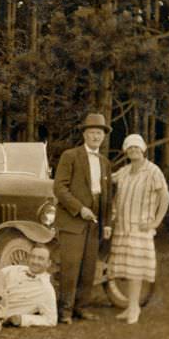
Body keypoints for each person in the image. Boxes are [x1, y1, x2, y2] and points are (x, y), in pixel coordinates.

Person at [53, 113, 113, 325]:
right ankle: (65, 311)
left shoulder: (105, 162)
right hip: (73, 220)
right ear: (84, 134)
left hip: (95, 223)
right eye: (92, 132)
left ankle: (82, 307)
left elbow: (107, 195)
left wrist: (106, 224)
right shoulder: (70, 156)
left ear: (103, 137)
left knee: (88, 268)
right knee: (70, 267)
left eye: (99, 133)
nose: (96, 136)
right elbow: (59, 187)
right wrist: (79, 209)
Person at [109, 134, 169, 325]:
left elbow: (165, 197)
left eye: (136, 148)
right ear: (126, 151)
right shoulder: (124, 171)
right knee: (127, 270)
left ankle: (135, 308)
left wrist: (156, 222)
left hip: (140, 229)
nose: (133, 151)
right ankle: (130, 305)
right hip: (122, 228)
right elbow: (106, 181)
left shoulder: (153, 171)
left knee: (135, 271)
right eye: (130, 148)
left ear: (143, 149)